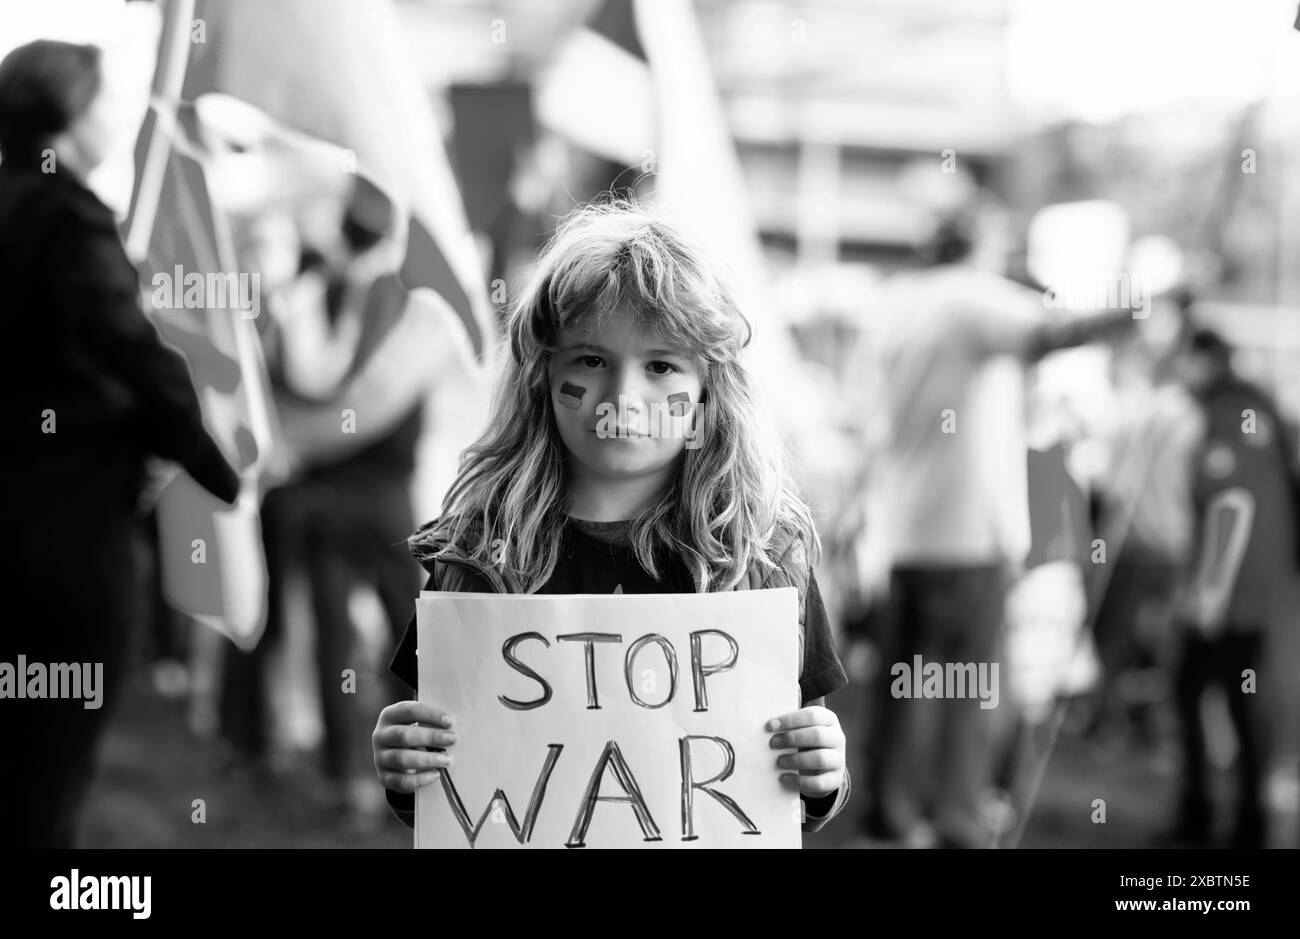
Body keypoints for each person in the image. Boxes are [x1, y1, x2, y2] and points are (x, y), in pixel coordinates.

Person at [371, 202, 851, 836]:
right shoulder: (480, 552)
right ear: (544, 375)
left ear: (710, 386)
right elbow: (449, 786)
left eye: (661, 366)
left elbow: (792, 785)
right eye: (591, 361)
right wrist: (404, 770)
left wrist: (824, 779)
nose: (624, 399)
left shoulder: (762, 554)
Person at [0, 40, 241, 847]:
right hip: (61, 535)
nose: (118, 114)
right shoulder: (63, 215)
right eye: (106, 98)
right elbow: (134, 352)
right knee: (47, 771)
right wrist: (213, 461)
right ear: (69, 114)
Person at [860, 198, 1135, 848]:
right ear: (977, 243)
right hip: (970, 540)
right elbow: (1056, 331)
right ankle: (957, 820)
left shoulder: (898, 301)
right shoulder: (970, 298)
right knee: (968, 693)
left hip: (906, 533)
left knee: (901, 690)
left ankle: (892, 819)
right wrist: (1140, 303)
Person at [1168, 328, 1300, 847]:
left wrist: (1208, 596)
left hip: (1234, 600)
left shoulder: (1229, 416)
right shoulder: (1258, 410)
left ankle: (1217, 820)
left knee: (1205, 697)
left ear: (1201, 360)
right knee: (1242, 705)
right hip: (1264, 593)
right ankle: (1240, 820)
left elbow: (1231, 505)